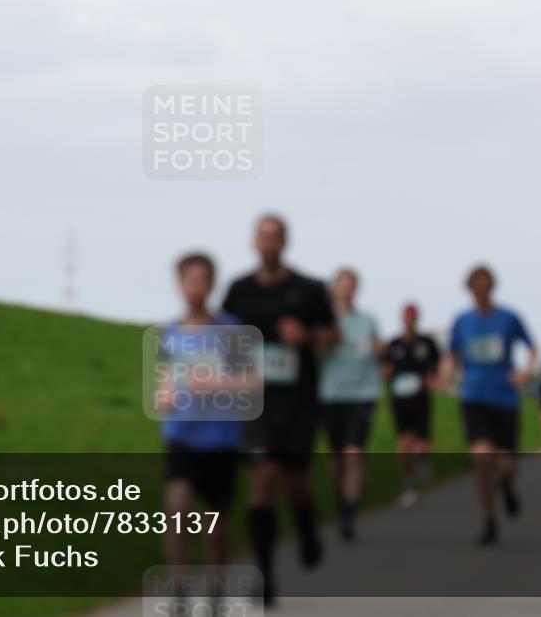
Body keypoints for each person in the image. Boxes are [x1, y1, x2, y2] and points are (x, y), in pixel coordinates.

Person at [222, 215, 336, 604]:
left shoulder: (309, 289)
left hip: (299, 399)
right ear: (254, 243)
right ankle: (265, 573)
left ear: (285, 242)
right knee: (263, 477)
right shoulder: (239, 290)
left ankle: (306, 526)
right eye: (262, 237)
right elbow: (225, 336)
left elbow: (333, 336)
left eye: (275, 237)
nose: (268, 244)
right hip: (256, 403)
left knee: (295, 481)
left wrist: (307, 336)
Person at [158, 254, 244, 590]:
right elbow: (167, 377)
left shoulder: (231, 330)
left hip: (220, 436)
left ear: (211, 285)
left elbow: (253, 381)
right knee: (177, 508)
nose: (194, 287)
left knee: (214, 524)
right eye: (188, 280)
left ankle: (215, 585)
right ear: (179, 285)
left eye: (201, 280)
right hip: (181, 433)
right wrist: (164, 396)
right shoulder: (170, 332)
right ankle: (178, 586)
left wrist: (216, 384)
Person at [443, 265, 537, 546]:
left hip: (505, 399)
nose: (480, 290)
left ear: (492, 287)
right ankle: (489, 520)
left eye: (485, 285)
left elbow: (532, 349)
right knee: (481, 457)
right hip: (474, 397)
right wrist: (447, 372)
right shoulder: (462, 322)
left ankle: (507, 485)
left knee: (507, 464)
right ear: (469, 289)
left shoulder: (508, 318)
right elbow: (451, 355)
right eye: (475, 286)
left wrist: (524, 373)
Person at [318, 268, 382, 539]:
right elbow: (316, 354)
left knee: (353, 453)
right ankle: (342, 498)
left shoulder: (367, 320)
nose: (346, 290)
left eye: (351, 286)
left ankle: (348, 513)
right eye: (341, 285)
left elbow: (377, 348)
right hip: (331, 394)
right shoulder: (324, 322)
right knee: (336, 459)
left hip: (363, 393)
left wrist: (380, 350)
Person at [382, 303, 441, 508]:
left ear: (417, 320)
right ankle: (409, 487)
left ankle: (424, 460)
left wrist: (433, 378)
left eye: (413, 318)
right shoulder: (394, 344)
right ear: (402, 320)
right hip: (400, 400)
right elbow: (386, 366)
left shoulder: (427, 343)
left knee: (423, 445)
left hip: (421, 399)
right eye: (407, 318)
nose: (410, 322)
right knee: (404, 446)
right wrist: (385, 372)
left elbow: (437, 364)